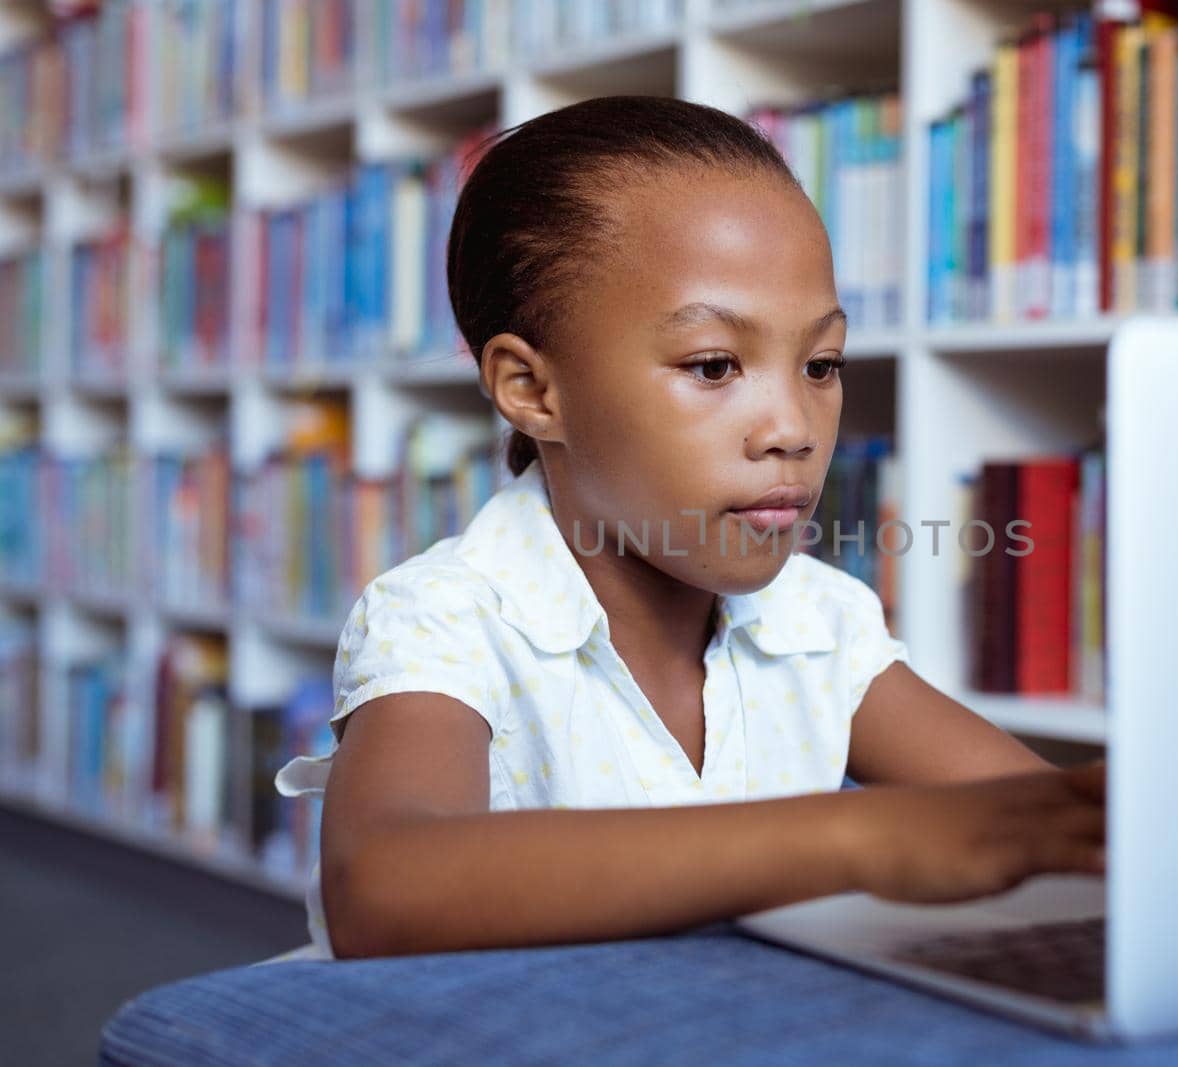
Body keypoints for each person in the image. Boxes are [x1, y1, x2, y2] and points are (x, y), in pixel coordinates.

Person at [275, 95, 1105, 960]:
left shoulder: (821, 622)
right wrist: (856, 838)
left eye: (821, 364)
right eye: (714, 366)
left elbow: (1045, 822)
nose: (794, 427)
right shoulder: (445, 617)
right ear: (531, 390)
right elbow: (384, 887)